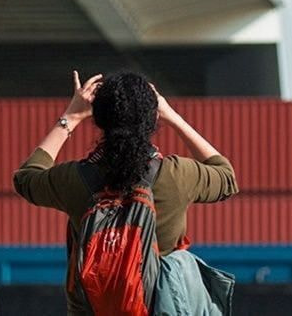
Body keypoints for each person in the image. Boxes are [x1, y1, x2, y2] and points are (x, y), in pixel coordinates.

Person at [13, 71, 238, 315]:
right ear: (154, 117)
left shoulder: (75, 179)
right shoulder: (176, 175)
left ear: (98, 119)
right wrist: (172, 117)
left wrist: (71, 117)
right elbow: (226, 177)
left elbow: (26, 179)